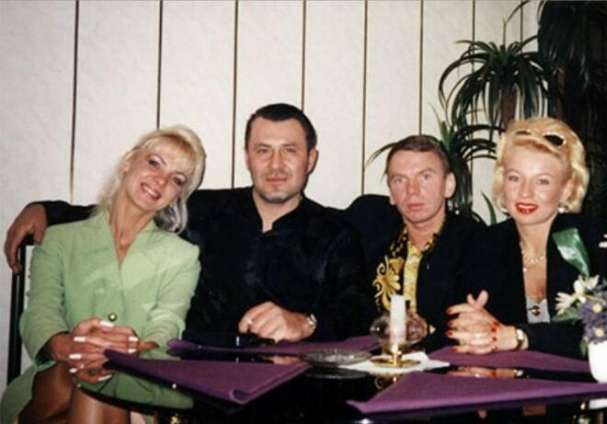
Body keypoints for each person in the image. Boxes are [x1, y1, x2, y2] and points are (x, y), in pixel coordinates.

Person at [4, 103, 372, 345]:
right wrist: (47, 210)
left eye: (289, 151)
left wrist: (305, 323)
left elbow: (359, 312)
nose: (275, 165)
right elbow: (132, 208)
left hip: (292, 392)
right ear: (247, 157)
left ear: (311, 159)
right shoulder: (204, 209)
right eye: (263, 150)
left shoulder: (336, 232)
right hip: (198, 383)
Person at [1, 126, 205, 423]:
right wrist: (69, 346)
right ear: (128, 163)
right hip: (54, 383)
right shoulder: (60, 240)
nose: (161, 180)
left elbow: (166, 326)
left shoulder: (182, 256)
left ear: (177, 196)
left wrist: (129, 351)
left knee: (99, 377)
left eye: (177, 179)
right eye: (154, 163)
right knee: (90, 372)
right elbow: (40, 312)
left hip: (138, 385)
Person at [446, 117, 598, 358]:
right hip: (509, 378)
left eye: (542, 181)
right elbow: (462, 324)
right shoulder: (485, 244)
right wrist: (471, 325)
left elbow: (606, 332)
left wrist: (519, 337)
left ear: (566, 189)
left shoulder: (590, 241)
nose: (525, 193)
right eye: (515, 178)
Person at [344, 135, 482, 349]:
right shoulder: (368, 225)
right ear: (391, 193)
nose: (412, 190)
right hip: (375, 361)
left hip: (444, 362)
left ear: (449, 185)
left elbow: (478, 322)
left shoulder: (476, 242)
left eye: (425, 177)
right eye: (399, 180)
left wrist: (429, 330)